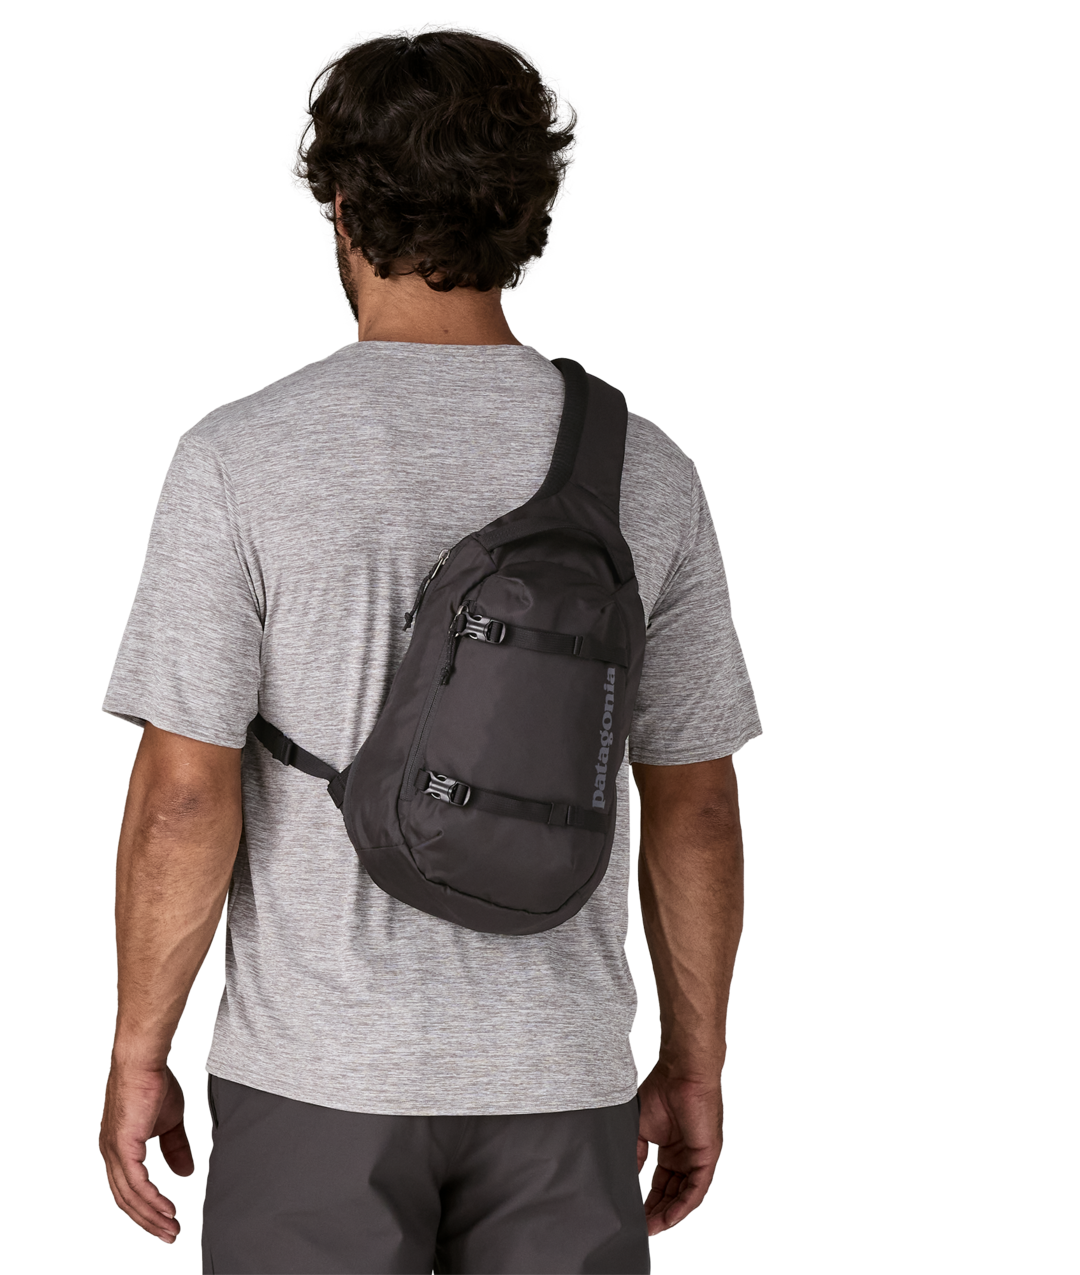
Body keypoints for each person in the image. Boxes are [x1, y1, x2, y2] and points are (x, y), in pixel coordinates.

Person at [97, 25, 762, 1274]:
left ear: (340, 206)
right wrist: (695, 1064)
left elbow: (184, 797)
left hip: (316, 1078)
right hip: (562, 1080)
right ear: (532, 210)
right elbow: (700, 805)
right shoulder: (651, 467)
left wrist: (139, 1051)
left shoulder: (243, 454)